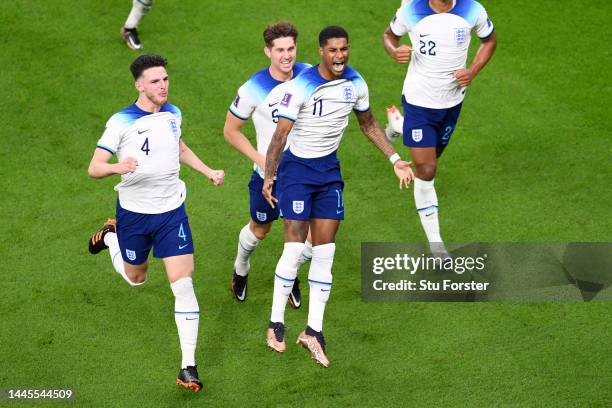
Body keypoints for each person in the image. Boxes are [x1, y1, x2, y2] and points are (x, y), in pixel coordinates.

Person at [262, 26, 414, 367]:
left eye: (344, 49)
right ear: (320, 52)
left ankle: (313, 332)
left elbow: (369, 124)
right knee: (293, 247)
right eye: (333, 50)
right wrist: (270, 176)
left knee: (326, 251)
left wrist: (394, 159)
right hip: (297, 172)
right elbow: (279, 137)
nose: (340, 56)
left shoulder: (355, 84)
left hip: (328, 172)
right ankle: (276, 323)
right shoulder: (299, 87)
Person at [87, 54, 224, 392]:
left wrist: (207, 171)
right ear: (139, 86)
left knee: (184, 284)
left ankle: (188, 367)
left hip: (171, 212)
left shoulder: (173, 113)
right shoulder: (120, 122)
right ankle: (109, 238)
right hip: (132, 214)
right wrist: (118, 168)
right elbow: (94, 167)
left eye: (165, 79)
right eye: (155, 81)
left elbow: (178, 148)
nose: (163, 86)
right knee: (137, 279)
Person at [383, 0, 497, 257]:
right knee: (427, 168)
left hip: (452, 103)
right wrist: (393, 51)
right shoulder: (411, 9)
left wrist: (473, 71)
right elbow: (389, 35)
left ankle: (399, 127)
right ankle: (436, 244)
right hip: (418, 102)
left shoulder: (473, 9)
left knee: (432, 156)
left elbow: (489, 41)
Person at [224, 22, 311, 308]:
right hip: (268, 178)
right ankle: (241, 268)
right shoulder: (253, 88)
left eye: (291, 48)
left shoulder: (310, 76)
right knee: (260, 229)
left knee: (305, 238)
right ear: (268, 52)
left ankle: (290, 277)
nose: (287, 55)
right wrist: (261, 160)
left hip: (303, 175)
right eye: (280, 50)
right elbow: (230, 130)